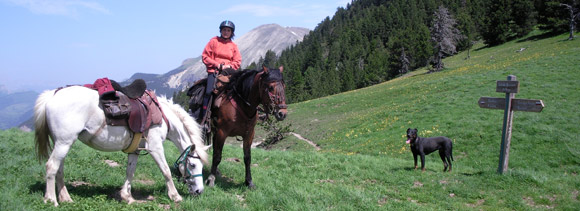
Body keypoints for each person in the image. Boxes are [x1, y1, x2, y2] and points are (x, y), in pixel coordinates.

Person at [198, 20, 242, 123]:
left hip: (229, 72)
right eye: (224, 30)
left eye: (228, 30)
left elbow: (237, 60)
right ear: (221, 31)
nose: (226, 32)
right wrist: (217, 65)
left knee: (240, 89)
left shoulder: (233, 46)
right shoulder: (213, 41)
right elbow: (205, 56)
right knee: (209, 91)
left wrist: (229, 66)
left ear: (232, 33)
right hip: (214, 71)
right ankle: (204, 116)